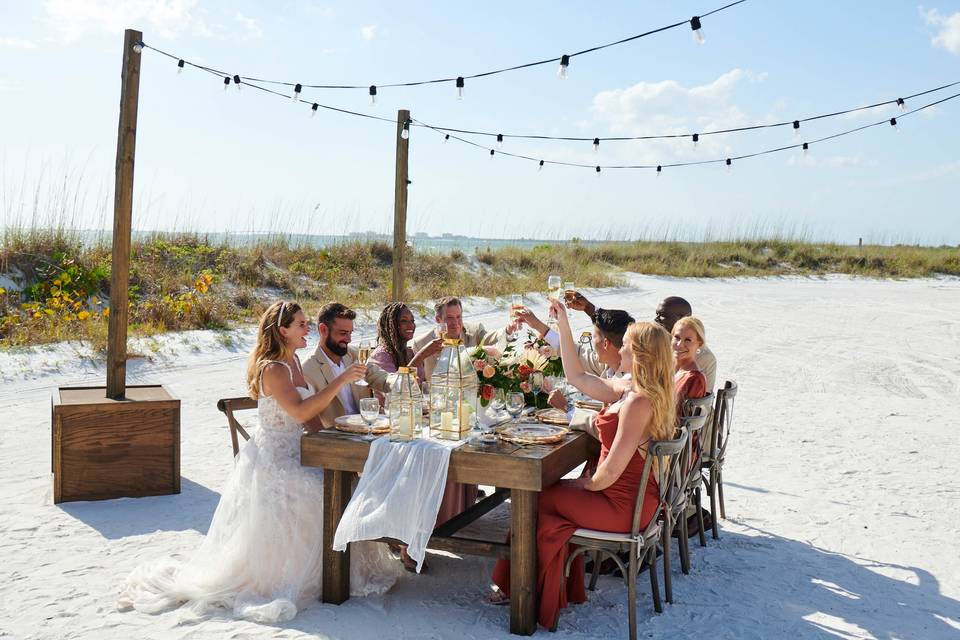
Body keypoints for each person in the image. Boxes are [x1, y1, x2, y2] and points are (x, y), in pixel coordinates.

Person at [117, 301, 400, 623]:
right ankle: (318, 578)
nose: (308, 329)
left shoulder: (293, 359)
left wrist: (331, 436)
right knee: (320, 491)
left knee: (341, 481)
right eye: (302, 324)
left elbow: (307, 417)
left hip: (301, 449)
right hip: (277, 458)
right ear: (283, 331)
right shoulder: (273, 368)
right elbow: (300, 412)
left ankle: (338, 572)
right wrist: (341, 380)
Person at [489, 299, 676, 630]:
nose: (621, 352)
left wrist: (584, 484)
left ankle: (524, 591)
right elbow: (576, 375)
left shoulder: (638, 402)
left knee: (537, 500)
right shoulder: (631, 387)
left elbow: (612, 471)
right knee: (545, 497)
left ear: (641, 355)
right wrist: (563, 323)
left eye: (628, 347)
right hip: (628, 498)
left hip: (623, 505)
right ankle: (545, 587)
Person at [571, 292, 717, 391]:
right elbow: (619, 330)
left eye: (662, 316)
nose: (656, 320)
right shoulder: (660, 340)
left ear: (682, 319)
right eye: (656, 315)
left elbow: (693, 407)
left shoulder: (703, 358)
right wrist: (589, 309)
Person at [301, 302, 396, 429]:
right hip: (336, 438)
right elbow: (308, 415)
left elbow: (381, 378)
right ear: (323, 330)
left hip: (368, 430)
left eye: (350, 333)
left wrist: (401, 381)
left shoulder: (355, 354)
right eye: (343, 333)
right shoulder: (308, 369)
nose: (349, 339)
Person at [409, 296, 510, 380]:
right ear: (438, 319)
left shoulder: (475, 331)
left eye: (458, 317)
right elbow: (415, 381)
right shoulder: (421, 343)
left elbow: (492, 338)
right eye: (450, 318)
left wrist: (508, 331)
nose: (456, 323)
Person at [367, 302, 443, 400]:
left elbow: (421, 388)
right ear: (391, 324)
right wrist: (421, 356)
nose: (411, 325)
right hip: (389, 412)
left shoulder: (410, 353)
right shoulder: (381, 355)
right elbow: (395, 390)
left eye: (412, 320)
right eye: (404, 321)